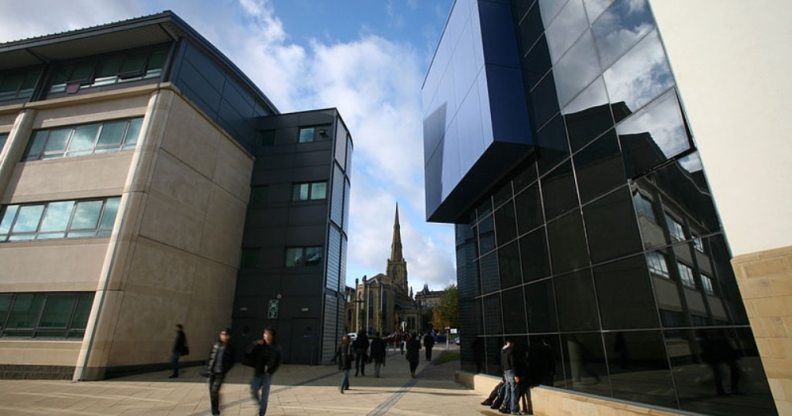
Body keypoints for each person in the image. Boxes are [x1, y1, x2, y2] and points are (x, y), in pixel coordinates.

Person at [245, 328, 282, 416]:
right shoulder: (259, 344)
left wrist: (271, 370)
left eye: (268, 334)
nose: (266, 336)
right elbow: (248, 352)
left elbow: (278, 361)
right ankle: (260, 405)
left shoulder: (276, 347)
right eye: (265, 334)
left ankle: (261, 413)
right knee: (253, 391)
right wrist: (255, 344)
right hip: (258, 372)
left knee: (264, 395)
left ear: (272, 336)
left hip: (267, 374)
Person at [205, 328, 235, 416]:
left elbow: (232, 361)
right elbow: (210, 357)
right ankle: (215, 410)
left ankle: (215, 412)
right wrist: (207, 369)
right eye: (222, 334)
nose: (223, 336)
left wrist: (225, 369)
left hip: (220, 373)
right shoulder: (215, 345)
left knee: (214, 391)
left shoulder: (231, 347)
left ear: (228, 336)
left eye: (225, 334)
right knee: (212, 393)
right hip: (212, 372)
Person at [500, 337, 520, 415]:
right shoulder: (510, 351)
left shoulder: (502, 351)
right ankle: (514, 410)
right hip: (511, 372)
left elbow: (502, 363)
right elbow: (512, 364)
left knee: (507, 390)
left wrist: (503, 375)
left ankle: (504, 406)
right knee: (514, 391)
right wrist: (516, 375)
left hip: (505, 372)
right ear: (511, 343)